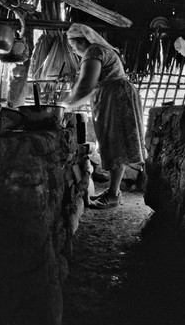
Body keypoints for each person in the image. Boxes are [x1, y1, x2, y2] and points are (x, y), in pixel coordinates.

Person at [62, 23, 146, 209]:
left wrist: (65, 106)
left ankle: (114, 195)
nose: (73, 50)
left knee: (115, 144)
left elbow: (86, 84)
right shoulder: (100, 51)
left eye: (73, 45)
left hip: (116, 99)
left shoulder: (93, 51)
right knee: (117, 145)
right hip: (117, 96)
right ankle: (113, 191)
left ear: (81, 41)